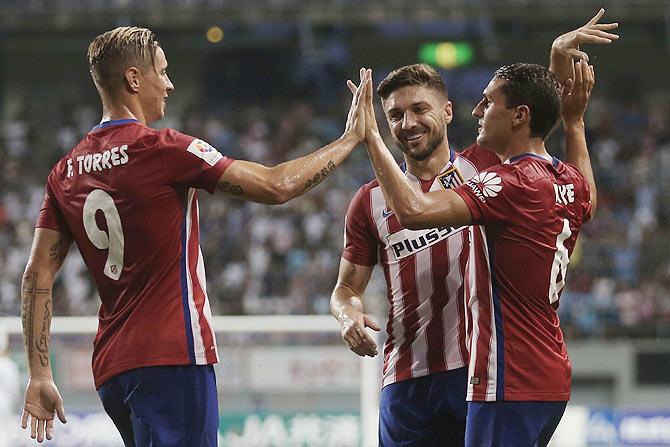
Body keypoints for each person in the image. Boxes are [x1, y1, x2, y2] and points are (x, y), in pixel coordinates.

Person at [19, 26, 371, 445]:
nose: (169, 83)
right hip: (173, 354)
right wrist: (350, 139)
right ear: (134, 79)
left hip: (113, 366)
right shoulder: (164, 149)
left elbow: (35, 277)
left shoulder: (65, 172)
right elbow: (277, 186)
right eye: (162, 72)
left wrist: (40, 373)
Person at [331, 11, 616, 447]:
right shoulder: (368, 201)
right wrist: (347, 313)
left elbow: (535, 115)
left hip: (478, 368)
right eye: (393, 115)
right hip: (406, 374)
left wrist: (558, 66)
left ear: (447, 112)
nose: (407, 124)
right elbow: (345, 288)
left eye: (419, 109)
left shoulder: (484, 169)